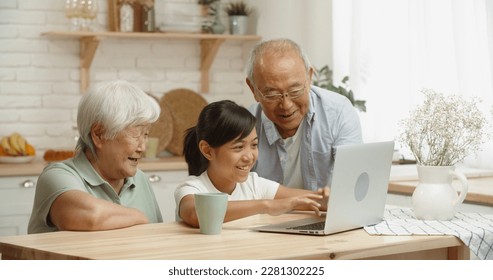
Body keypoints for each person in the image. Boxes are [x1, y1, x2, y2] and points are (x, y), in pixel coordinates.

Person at [28, 80, 163, 234]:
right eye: (136, 134)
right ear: (99, 134)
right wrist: (140, 217)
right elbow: (90, 216)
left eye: (146, 134)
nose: (143, 147)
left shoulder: (140, 179)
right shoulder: (56, 176)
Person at [175, 100, 329, 228]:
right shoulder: (192, 188)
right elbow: (197, 214)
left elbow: (312, 201)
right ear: (207, 151)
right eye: (238, 147)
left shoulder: (254, 184)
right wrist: (266, 206)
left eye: (254, 145)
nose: (249, 157)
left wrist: (327, 198)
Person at [246, 38, 363, 191]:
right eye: (272, 94)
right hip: (265, 215)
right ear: (253, 89)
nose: (286, 105)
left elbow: (350, 185)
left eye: (295, 91)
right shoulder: (246, 125)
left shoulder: (338, 112)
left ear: (309, 78)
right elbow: (234, 192)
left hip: (324, 214)